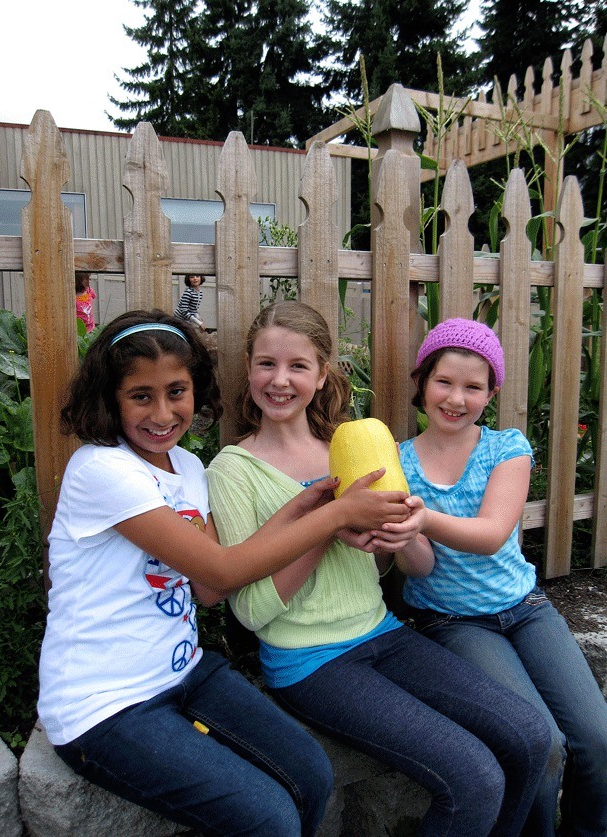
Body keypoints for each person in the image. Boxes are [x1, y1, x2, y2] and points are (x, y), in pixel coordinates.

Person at [38, 308, 412, 836]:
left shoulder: (187, 468)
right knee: (269, 820)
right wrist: (337, 515)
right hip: (105, 708)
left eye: (177, 391)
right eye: (141, 396)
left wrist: (304, 506)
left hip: (184, 672)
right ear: (110, 399)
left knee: (310, 775)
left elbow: (211, 588)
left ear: (197, 390)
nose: (162, 412)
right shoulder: (102, 472)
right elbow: (222, 565)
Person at [207, 300, 551, 837]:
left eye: (298, 366)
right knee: (475, 779)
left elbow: (405, 565)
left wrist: (405, 534)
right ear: (248, 369)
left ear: (321, 376)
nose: (280, 380)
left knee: (530, 737)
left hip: (383, 636)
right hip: (311, 661)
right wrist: (327, 525)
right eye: (266, 364)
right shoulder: (233, 470)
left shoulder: (350, 448)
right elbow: (251, 613)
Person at [398, 317, 607, 837]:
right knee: (542, 745)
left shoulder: (506, 448)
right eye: (444, 382)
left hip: (525, 610)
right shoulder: (398, 463)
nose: (456, 398)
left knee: (598, 738)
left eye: (474, 387)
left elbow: (493, 533)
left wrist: (421, 517)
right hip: (451, 621)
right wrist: (402, 536)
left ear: (491, 393)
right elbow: (419, 566)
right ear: (422, 383)